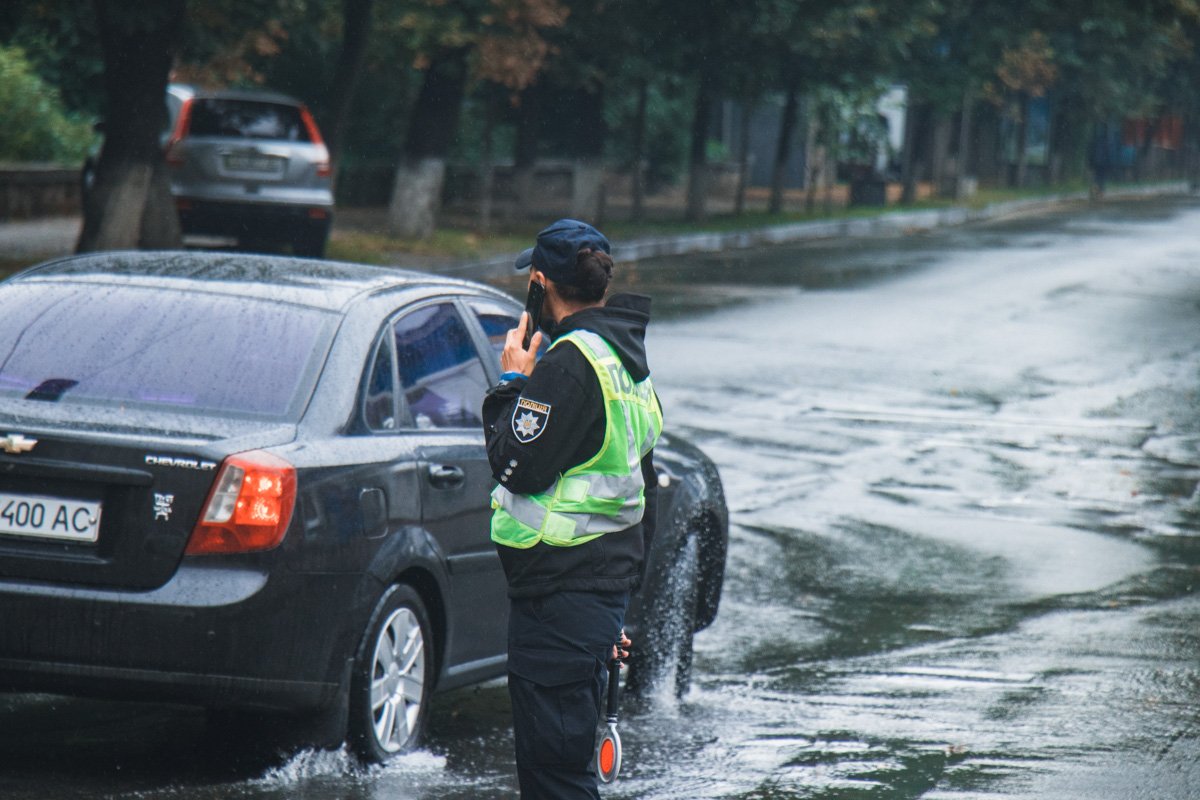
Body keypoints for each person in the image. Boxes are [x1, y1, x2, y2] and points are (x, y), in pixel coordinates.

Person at [482, 218, 663, 799]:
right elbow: (643, 495)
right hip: (591, 599)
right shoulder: (628, 365)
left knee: (556, 779)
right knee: (564, 770)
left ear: (539, 284)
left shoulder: (567, 364)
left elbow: (516, 464)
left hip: (559, 602)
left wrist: (512, 380)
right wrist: (618, 608)